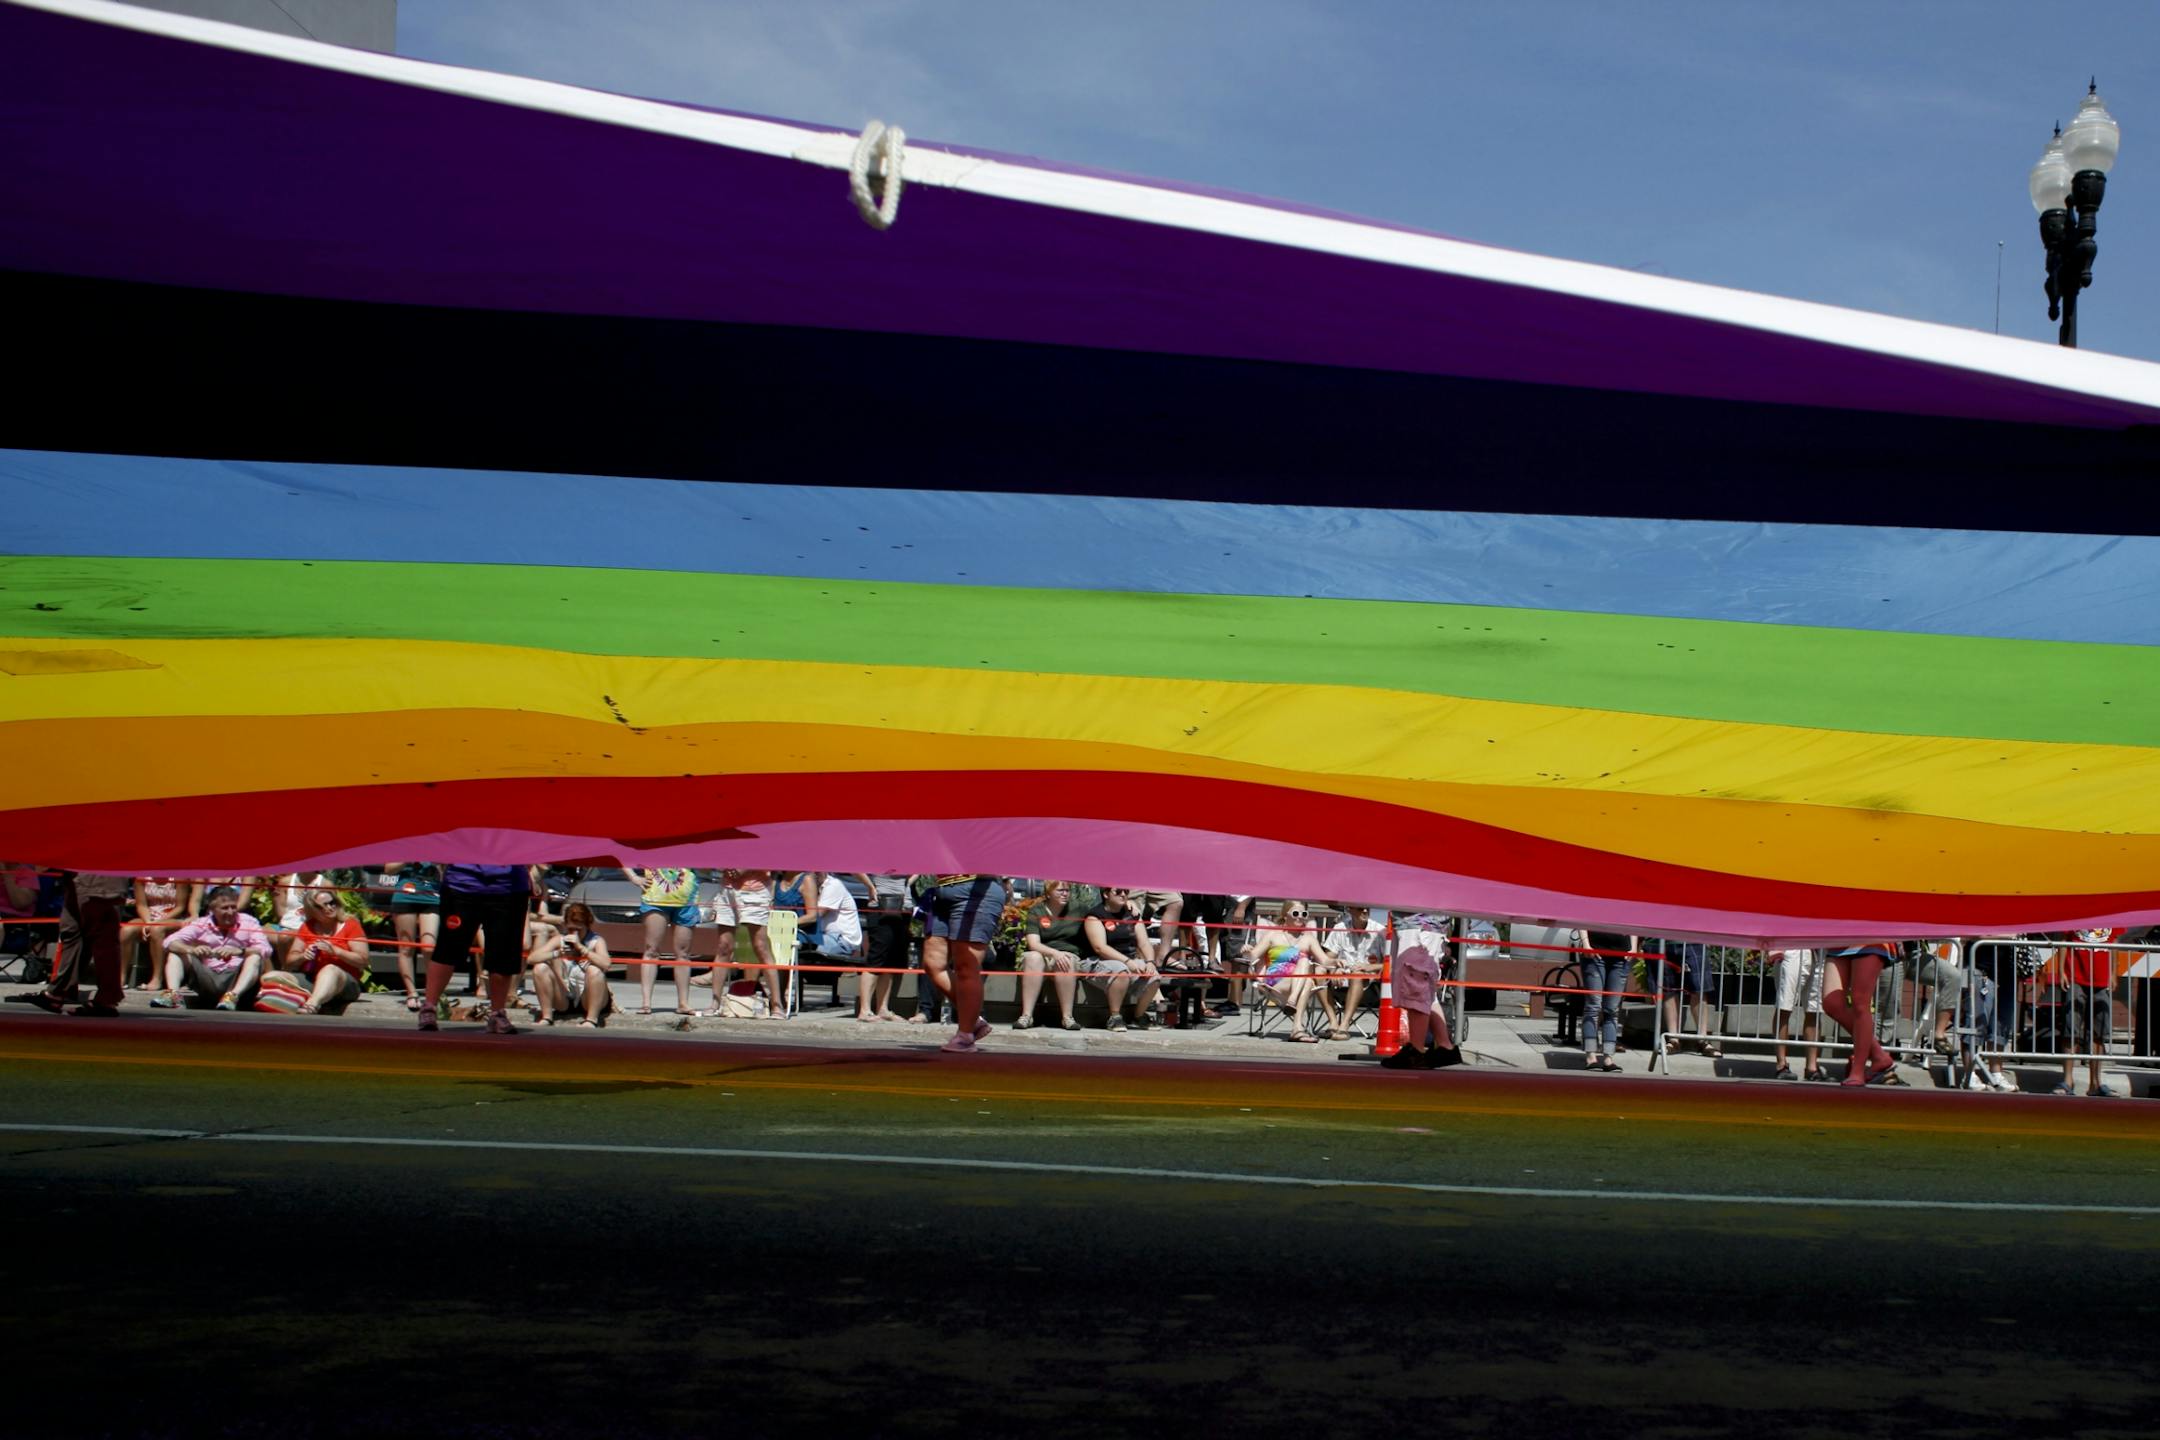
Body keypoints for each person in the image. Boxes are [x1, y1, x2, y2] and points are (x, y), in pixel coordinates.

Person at [417, 864, 529, 1034]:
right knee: (448, 948)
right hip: (461, 884)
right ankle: (429, 1008)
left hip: (509, 887)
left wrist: (532, 875)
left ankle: (498, 1013)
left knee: (503, 952)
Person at [919, 873, 1005, 1052]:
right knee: (932, 964)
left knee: (966, 967)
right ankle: (974, 1021)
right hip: (941, 890)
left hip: (978, 889)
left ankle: (965, 1036)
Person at [155, 885, 271, 1010]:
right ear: (212, 909)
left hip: (236, 977)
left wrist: (240, 951)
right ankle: (173, 995)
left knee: (254, 957)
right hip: (207, 976)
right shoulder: (201, 923)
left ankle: (232, 997)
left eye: (233, 907)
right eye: (225, 908)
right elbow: (169, 942)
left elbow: (265, 949)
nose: (231, 912)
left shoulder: (249, 922)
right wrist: (192, 950)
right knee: (175, 953)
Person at [261, 889, 369, 1015]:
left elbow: (363, 961)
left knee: (330, 969)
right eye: (320, 906)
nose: (328, 908)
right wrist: (303, 956)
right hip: (312, 979)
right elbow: (289, 962)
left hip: (345, 983)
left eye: (331, 903)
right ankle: (303, 996)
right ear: (312, 910)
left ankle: (312, 1004)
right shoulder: (308, 927)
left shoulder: (350, 924)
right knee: (271, 976)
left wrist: (336, 951)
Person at [1380, 910, 1463, 1069]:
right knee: (1425, 990)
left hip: (1418, 922)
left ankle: (1416, 1050)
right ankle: (1444, 1045)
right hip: (1422, 922)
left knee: (1415, 985)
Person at [1239, 901, 1330, 1043]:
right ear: (1285, 915)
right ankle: (1297, 1026)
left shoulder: (1308, 938)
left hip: (1298, 983)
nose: (1300, 917)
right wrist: (1246, 950)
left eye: (1304, 914)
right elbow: (1251, 957)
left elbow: (1325, 961)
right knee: (1305, 970)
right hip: (1275, 982)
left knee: (1305, 970)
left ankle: (1296, 1025)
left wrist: (1339, 962)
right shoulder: (1273, 935)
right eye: (1295, 913)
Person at [1079, 885, 1164, 1032]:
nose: (1123, 894)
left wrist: (1150, 962)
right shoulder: (1095, 916)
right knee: (1121, 971)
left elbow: (1144, 943)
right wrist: (1127, 962)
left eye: (1126, 891)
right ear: (1106, 894)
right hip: (1097, 961)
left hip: (1127, 960)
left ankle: (1138, 1017)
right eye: (1118, 891)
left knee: (1154, 977)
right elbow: (1100, 947)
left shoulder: (1132, 915)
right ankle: (1115, 1017)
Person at [1821, 940, 1902, 1087]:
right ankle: (1878, 1056)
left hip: (1871, 937)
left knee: (1860, 1003)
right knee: (1831, 1004)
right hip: (1839, 937)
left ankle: (1857, 1071)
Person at [2054, 928, 2123, 1097]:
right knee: (2071, 1028)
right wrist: (2061, 970)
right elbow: (2064, 940)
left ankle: (2095, 1083)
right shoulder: (2077, 911)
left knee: (2098, 1031)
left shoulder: (2112, 915)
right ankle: (2067, 1081)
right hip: (2075, 977)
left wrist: (2113, 973)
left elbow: (2114, 943)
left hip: (2101, 979)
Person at [623, 865, 700, 1016]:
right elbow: (621, 854)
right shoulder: (650, 843)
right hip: (655, 899)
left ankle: (683, 1003)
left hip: (686, 901)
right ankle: (646, 1003)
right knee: (651, 950)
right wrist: (633, 877)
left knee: (683, 954)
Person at [707, 870, 781, 1019]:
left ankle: (777, 1005)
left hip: (755, 890)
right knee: (723, 946)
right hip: (727, 889)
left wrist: (742, 868)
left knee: (761, 946)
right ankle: (715, 1003)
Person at [527, 901, 614, 1027]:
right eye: (570, 929)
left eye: (578, 929)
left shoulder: (596, 941)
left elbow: (606, 964)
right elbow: (532, 958)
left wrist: (582, 949)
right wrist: (557, 954)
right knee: (540, 968)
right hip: (566, 999)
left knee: (594, 971)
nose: (574, 933)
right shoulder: (560, 939)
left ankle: (591, 1019)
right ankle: (546, 1017)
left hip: (589, 997)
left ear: (587, 925)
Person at [1015, 880, 1082, 1031]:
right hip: (1043, 953)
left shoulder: (1078, 909)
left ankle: (1067, 1017)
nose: (1065, 894)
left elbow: (1099, 912)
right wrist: (1054, 953)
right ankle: (1026, 1016)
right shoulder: (1036, 911)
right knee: (1033, 957)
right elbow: (1033, 943)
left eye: (1067, 891)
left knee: (1066, 959)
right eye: (1060, 891)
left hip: (1067, 953)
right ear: (1048, 893)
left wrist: (1131, 905)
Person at [1317, 903, 1385, 1040]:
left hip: (1371, 987)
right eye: (1360, 907)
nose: (1365, 910)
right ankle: (1333, 1022)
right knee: (1318, 971)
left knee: (1357, 975)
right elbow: (1328, 959)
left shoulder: (1380, 931)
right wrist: (1334, 969)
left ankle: (1345, 1025)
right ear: (1349, 909)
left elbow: (1392, 964)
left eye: (1368, 907)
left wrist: (1371, 967)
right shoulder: (1339, 928)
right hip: (1340, 981)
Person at [385, 863, 441, 1011]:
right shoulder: (404, 843)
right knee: (406, 947)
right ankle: (412, 993)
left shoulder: (436, 840)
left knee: (429, 947)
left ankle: (433, 994)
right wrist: (408, 857)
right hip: (405, 894)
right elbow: (389, 869)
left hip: (432, 895)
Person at [1653, 938, 1721, 1060]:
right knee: (1668, 989)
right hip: (1662, 938)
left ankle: (1703, 1040)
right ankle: (1674, 1040)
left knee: (1698, 988)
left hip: (1692, 937)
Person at [855, 874, 910, 1023]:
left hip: (903, 906)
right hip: (880, 905)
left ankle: (883, 1008)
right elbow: (856, 868)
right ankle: (864, 1010)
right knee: (876, 957)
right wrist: (870, 886)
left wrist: (908, 883)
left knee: (890, 959)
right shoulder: (877, 853)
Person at [1579, 929, 1633, 1074]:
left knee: (1612, 1009)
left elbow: (1633, 920)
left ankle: (1608, 1058)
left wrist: (1632, 948)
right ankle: (1591, 1056)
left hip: (1621, 954)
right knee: (1593, 1006)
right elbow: (1581, 917)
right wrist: (1586, 944)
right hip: (1594, 951)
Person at [1769, 947, 1827, 1081]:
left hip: (1821, 949)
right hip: (1793, 946)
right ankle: (1781, 1064)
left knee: (1815, 1010)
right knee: (1784, 1006)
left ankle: (1811, 1068)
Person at [129, 877, 187, 991]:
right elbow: (141, 905)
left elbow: (180, 907)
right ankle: (121, 977)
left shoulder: (179, 878)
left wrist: (157, 922)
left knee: (157, 930)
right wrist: (148, 921)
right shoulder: (141, 878)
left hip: (171, 917)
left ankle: (157, 978)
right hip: (148, 917)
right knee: (127, 930)